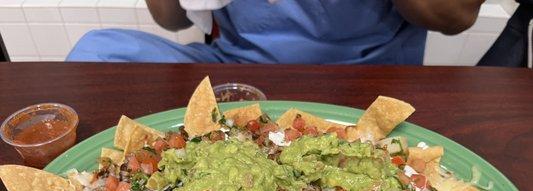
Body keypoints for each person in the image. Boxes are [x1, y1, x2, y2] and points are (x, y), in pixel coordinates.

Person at [67, 0, 484, 64]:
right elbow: (171, 20)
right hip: (239, 71)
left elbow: (454, 16)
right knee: (97, 50)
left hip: (366, 78)